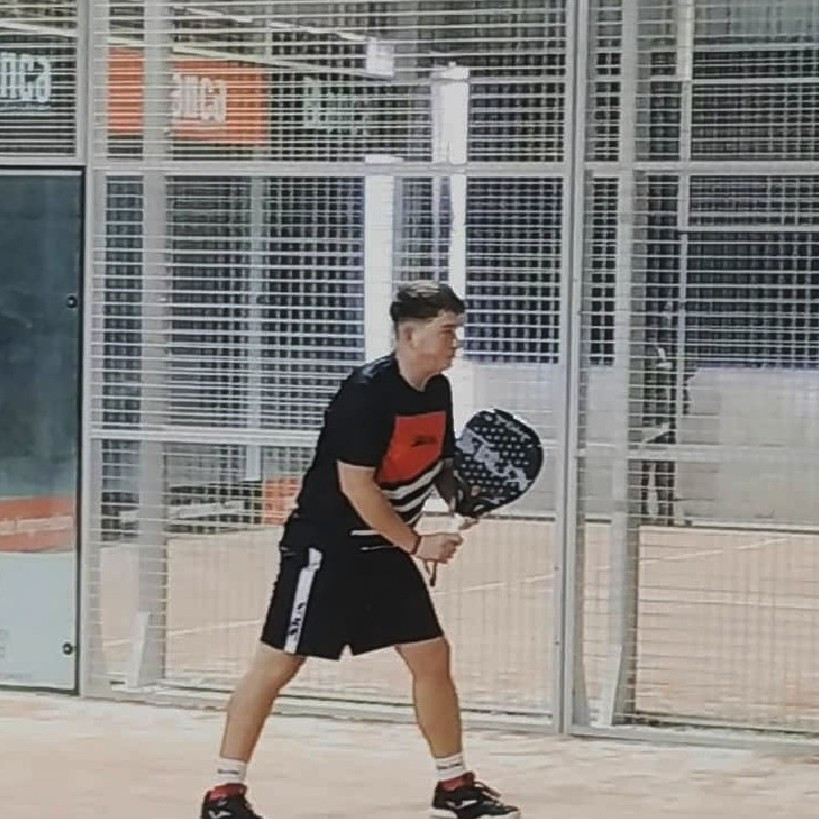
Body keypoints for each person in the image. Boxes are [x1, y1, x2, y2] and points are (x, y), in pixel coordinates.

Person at [199, 280, 520, 819]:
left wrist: (462, 500)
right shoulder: (365, 395)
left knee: (431, 656)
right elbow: (358, 487)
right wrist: (417, 542)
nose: (456, 342)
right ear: (410, 335)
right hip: (327, 549)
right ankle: (223, 794)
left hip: (383, 550)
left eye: (457, 331)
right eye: (447, 331)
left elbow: (440, 465)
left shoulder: (437, 391)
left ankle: (454, 784)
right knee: (277, 664)